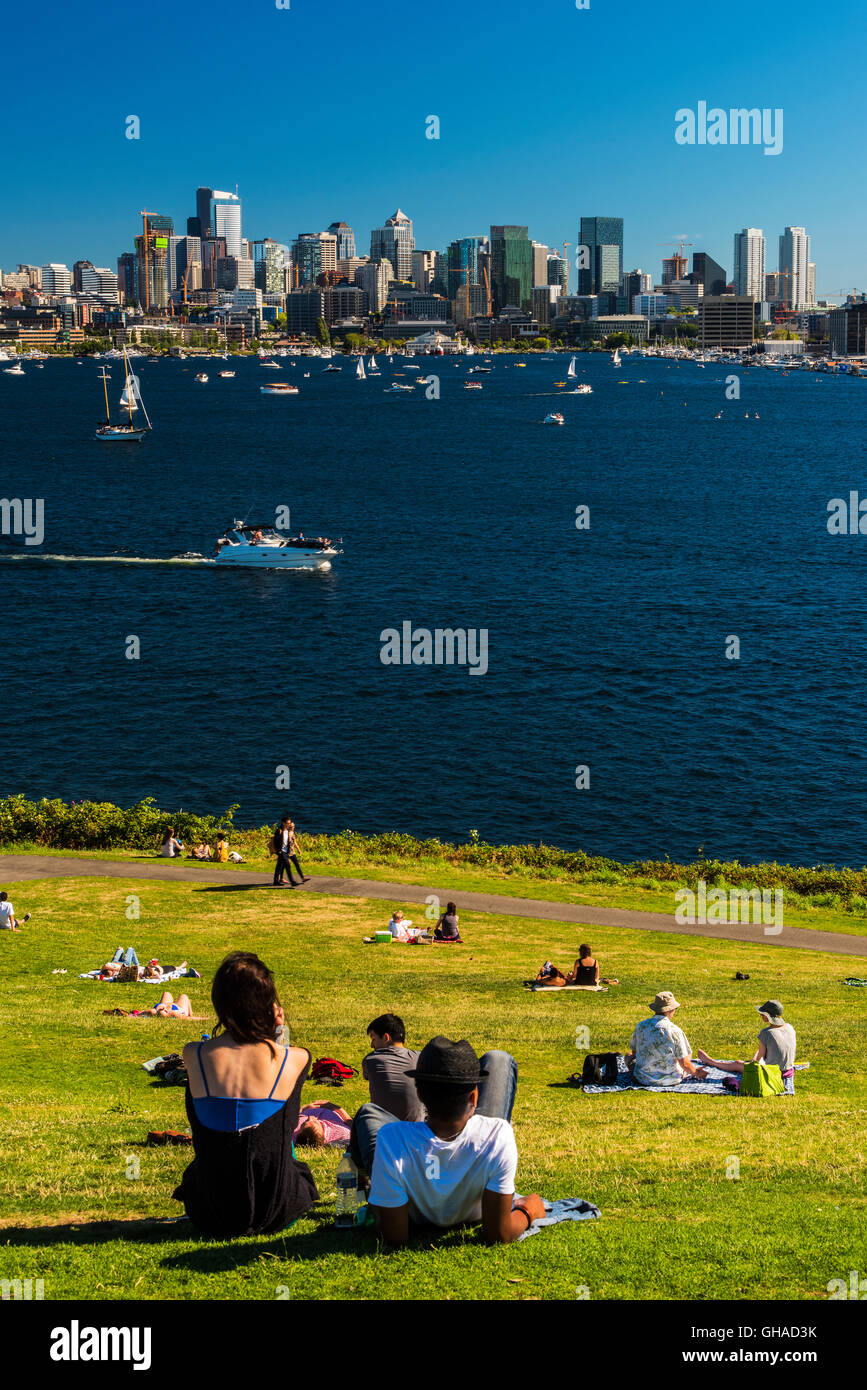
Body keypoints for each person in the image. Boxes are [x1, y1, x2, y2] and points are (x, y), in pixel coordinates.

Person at [174, 952, 318, 1238]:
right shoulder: (297, 1058)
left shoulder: (194, 1054)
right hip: (275, 1208)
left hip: (209, 1210)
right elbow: (283, 1056)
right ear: (268, 1005)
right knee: (291, 1156)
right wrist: (279, 1032)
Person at [356, 1036, 544, 1246]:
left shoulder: (391, 1138)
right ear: (474, 1098)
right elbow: (498, 1233)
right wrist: (529, 1210)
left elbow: (394, 1237)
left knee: (368, 1111)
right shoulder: (497, 1134)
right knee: (498, 1058)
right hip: (478, 1151)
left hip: (409, 1157)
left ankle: (366, 1184)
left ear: (419, 1094)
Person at [627, 992, 708, 1087]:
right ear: (669, 1010)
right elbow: (685, 1063)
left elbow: (635, 1052)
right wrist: (697, 1073)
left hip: (643, 1078)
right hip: (670, 1079)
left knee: (628, 1056)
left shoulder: (641, 1026)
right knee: (686, 1054)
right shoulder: (675, 1031)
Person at [357, 1013, 425, 1125]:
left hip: (383, 1129)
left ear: (386, 1038)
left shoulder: (371, 1060)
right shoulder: (419, 1057)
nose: (371, 1045)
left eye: (373, 1039)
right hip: (416, 1128)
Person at [697, 1001, 796, 1076]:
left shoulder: (766, 1033)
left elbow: (759, 1060)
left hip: (771, 1073)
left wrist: (753, 1060)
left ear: (767, 1016)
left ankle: (711, 1062)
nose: (760, 1015)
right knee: (756, 1054)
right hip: (788, 1071)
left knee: (737, 1064)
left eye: (762, 1014)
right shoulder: (790, 1027)